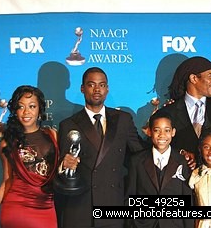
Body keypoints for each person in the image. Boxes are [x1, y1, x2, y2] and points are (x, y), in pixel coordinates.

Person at [55, 67, 148, 228]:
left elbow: (139, 154)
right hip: (80, 206)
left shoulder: (123, 119)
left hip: (113, 204)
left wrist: (162, 143)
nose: (97, 89)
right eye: (91, 85)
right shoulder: (68, 124)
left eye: (102, 85)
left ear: (107, 88)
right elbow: (62, 163)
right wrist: (64, 166)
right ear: (82, 88)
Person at [0, 85, 59, 227]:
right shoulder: (8, 143)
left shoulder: (53, 135)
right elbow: (7, 181)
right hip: (16, 209)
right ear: (15, 111)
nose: (26, 112)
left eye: (32, 106)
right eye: (21, 107)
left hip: (47, 209)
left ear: (39, 110)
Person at [126, 111, 194, 228]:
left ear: (173, 132)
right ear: (149, 132)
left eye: (167, 130)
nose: (162, 135)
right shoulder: (137, 161)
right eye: (157, 130)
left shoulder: (182, 161)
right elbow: (130, 196)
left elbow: (187, 200)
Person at [158, 56, 211, 158]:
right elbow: (157, 147)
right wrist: (181, 153)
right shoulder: (168, 113)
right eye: (210, 76)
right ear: (193, 78)